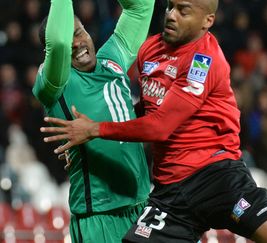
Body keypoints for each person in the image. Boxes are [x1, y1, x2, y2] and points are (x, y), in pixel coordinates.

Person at [40, 0, 267, 242]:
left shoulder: (205, 61)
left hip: (216, 177)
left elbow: (160, 126)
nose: (170, 15)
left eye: (183, 11)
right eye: (170, 7)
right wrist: (100, 139)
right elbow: (139, 110)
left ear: (207, 21)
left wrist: (95, 131)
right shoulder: (150, 49)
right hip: (170, 192)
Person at [32, 0, 154, 242]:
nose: (76, 43)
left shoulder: (113, 58)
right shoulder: (55, 85)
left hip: (142, 207)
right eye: (69, 42)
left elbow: (141, 7)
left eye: (79, 33)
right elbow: (57, 42)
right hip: (99, 218)